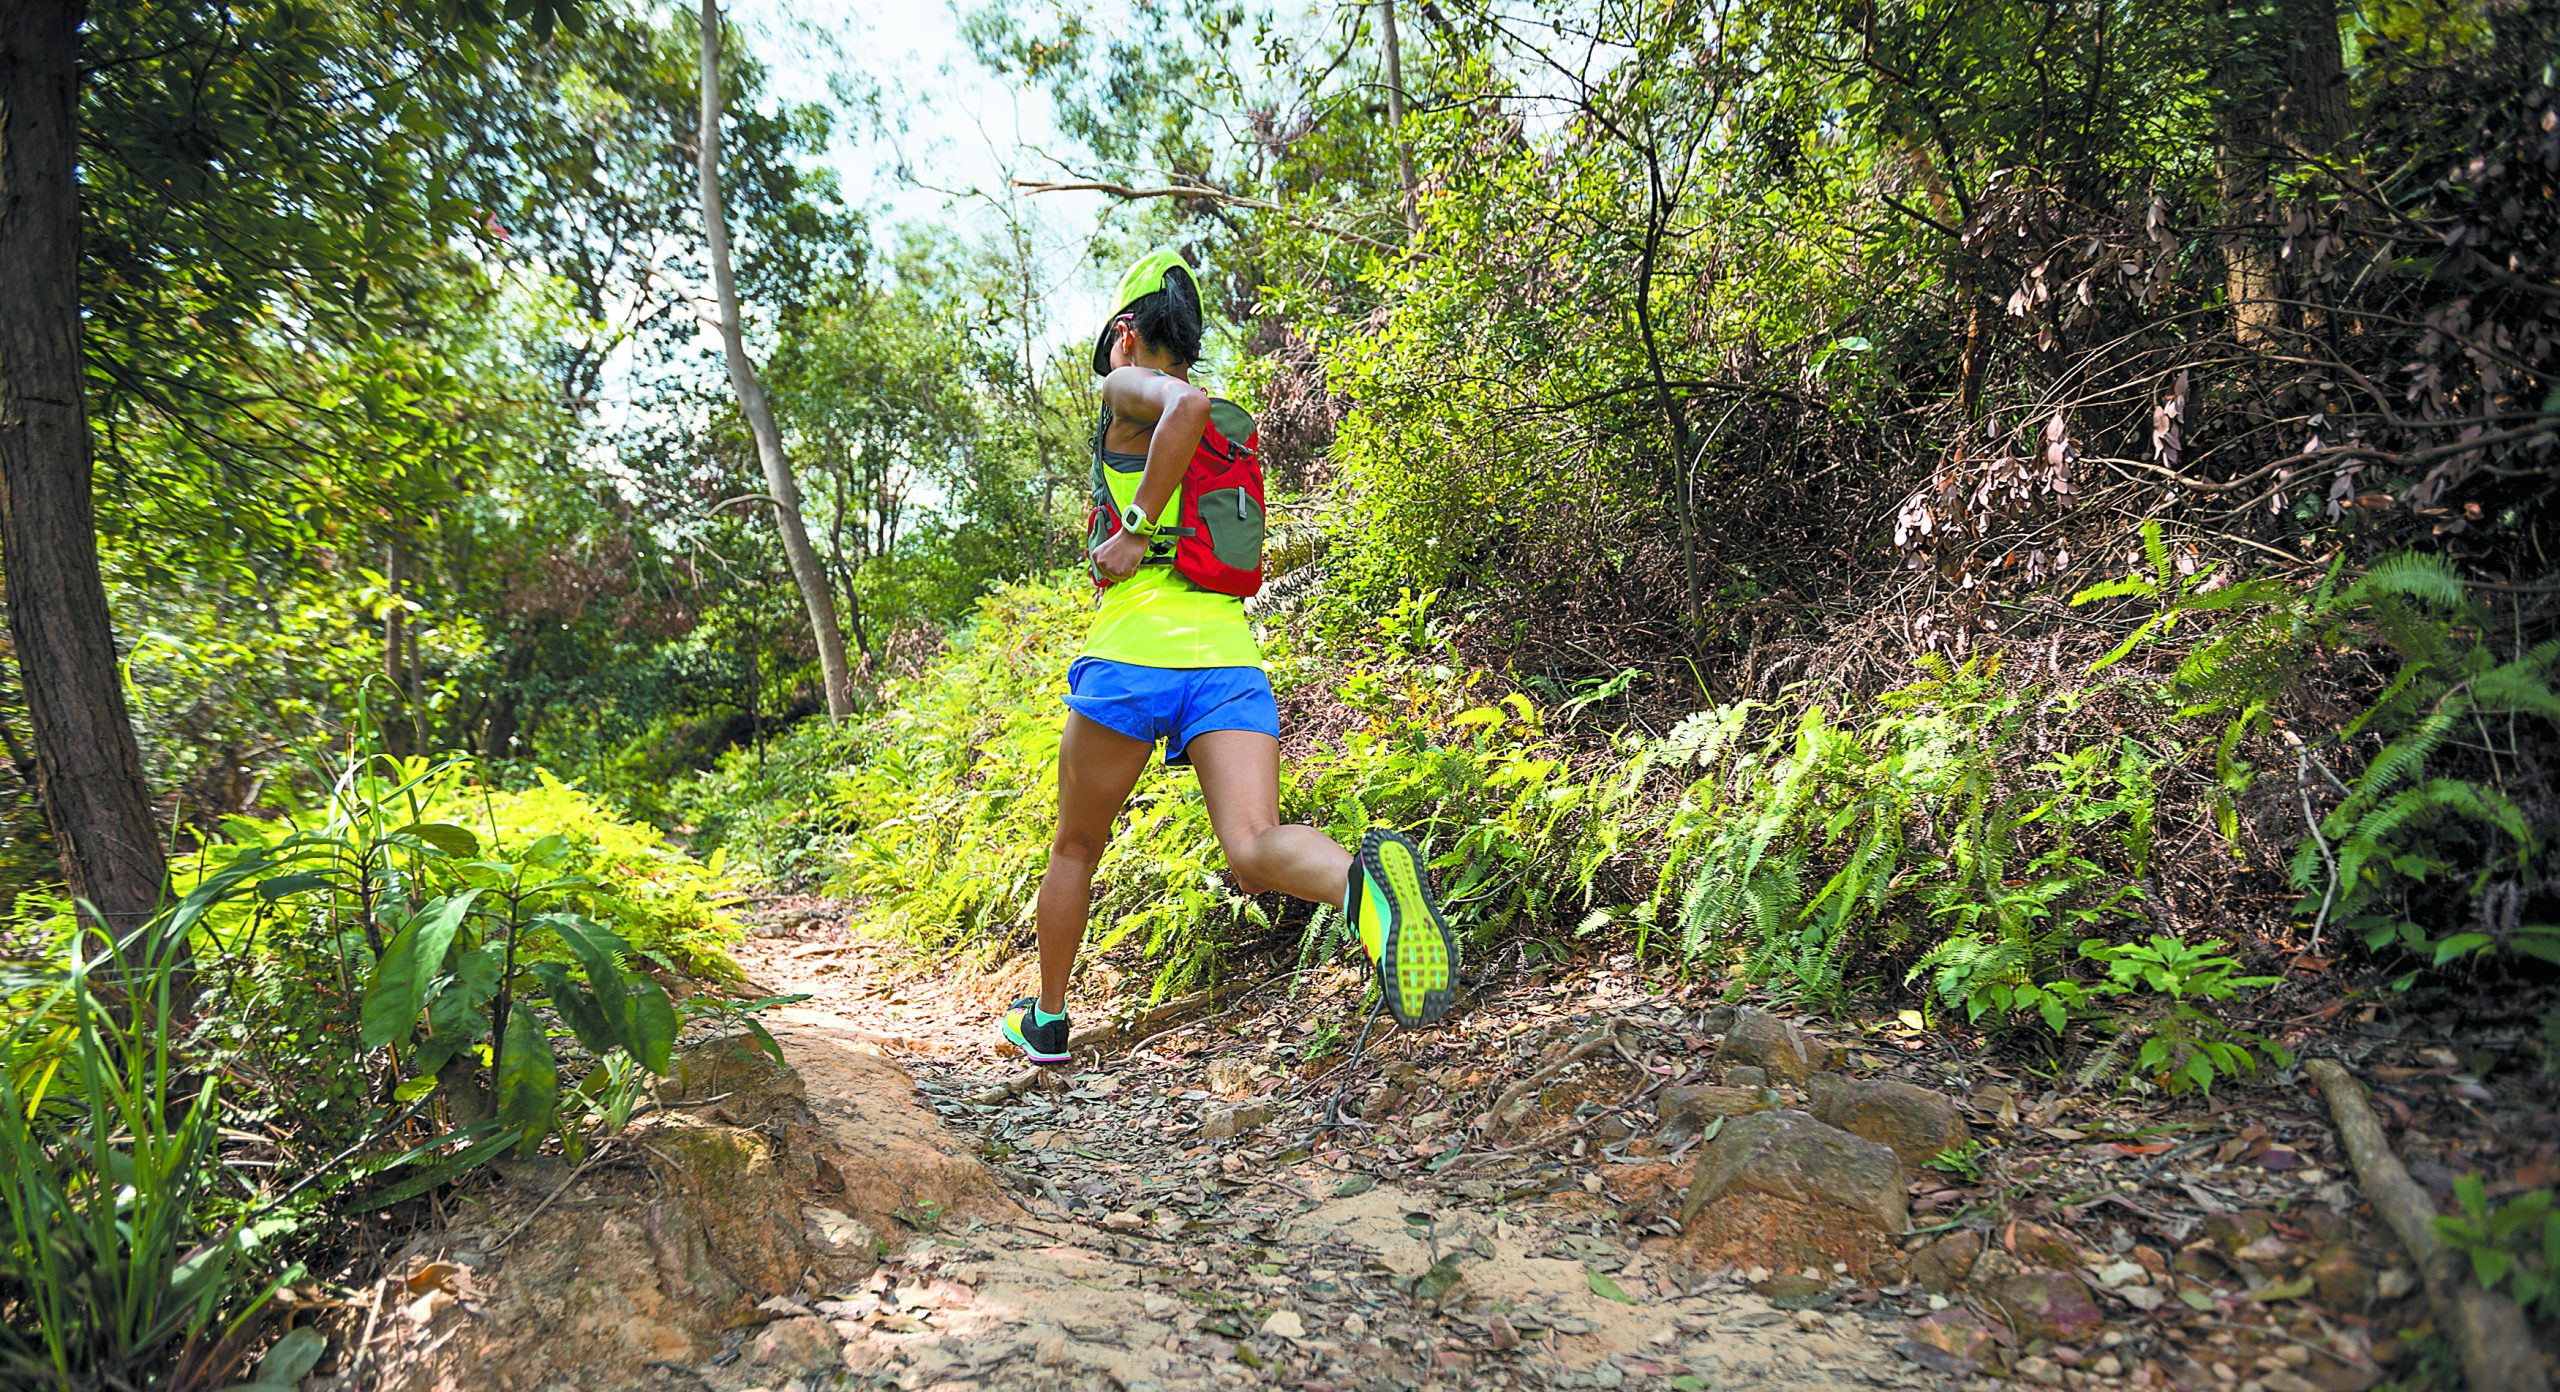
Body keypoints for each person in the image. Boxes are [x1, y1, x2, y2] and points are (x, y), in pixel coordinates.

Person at [1000, 248, 1458, 1065]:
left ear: (1128, 334)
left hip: (1133, 659)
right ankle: (1367, 892)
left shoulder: (1130, 391)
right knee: (1252, 849)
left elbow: (1185, 402)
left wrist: (1133, 530)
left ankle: (1048, 1020)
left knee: (1076, 845)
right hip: (1228, 662)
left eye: (1111, 343)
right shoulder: (1225, 436)